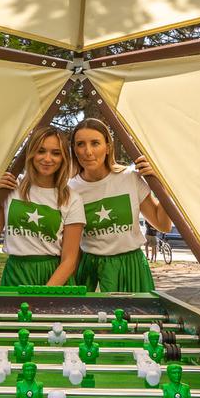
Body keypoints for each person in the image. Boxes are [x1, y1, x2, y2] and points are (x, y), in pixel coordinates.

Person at [68, 119, 172, 292]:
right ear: (74, 149)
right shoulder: (70, 189)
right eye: (80, 144)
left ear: (108, 147)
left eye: (95, 143)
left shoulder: (130, 177)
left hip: (130, 267)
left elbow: (163, 224)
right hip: (90, 270)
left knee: (136, 319)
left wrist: (162, 185)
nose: (88, 151)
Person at [0, 125, 85, 286]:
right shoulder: (11, 187)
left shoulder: (72, 199)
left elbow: (70, 260)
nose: (47, 158)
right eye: (41, 150)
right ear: (31, 153)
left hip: (53, 276)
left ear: (64, 157)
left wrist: (44, 294)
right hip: (15, 274)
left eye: (56, 153)